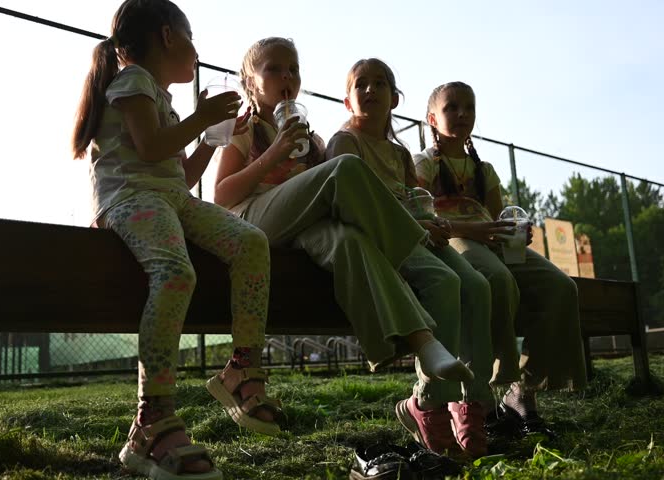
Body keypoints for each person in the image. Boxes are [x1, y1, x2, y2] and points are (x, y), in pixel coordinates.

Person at [214, 37, 473, 421]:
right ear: (251, 81)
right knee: (347, 168)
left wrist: (307, 150)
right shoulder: (244, 127)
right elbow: (222, 195)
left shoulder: (309, 137)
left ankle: (425, 342)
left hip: (301, 228)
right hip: (252, 222)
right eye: (274, 68)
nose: (287, 75)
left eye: (293, 69)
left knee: (350, 240)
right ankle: (412, 245)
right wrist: (274, 154)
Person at [72, 2, 277, 477]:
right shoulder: (134, 80)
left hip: (168, 200)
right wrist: (200, 119)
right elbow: (147, 149)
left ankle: (243, 367)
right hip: (131, 200)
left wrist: (208, 139)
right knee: (175, 273)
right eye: (190, 34)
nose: (194, 46)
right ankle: (153, 417)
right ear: (168, 36)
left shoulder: (158, 96)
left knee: (251, 243)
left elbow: (178, 176)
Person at [326, 58, 498, 458]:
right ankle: (429, 403)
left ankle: (472, 401)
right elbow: (347, 203)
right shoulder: (345, 142)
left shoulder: (401, 154)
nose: (371, 90)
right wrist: (417, 224)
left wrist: (432, 222)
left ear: (395, 98)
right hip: (381, 239)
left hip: (417, 235)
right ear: (347, 100)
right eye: (361, 84)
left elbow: (414, 201)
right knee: (445, 282)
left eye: (381, 83)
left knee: (477, 284)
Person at [414, 81, 588, 438]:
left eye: (469, 108)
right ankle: (482, 396)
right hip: (454, 239)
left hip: (488, 241)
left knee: (561, 287)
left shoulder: (485, 170)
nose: (462, 114)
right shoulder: (424, 163)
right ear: (432, 118)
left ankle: (523, 389)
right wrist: (474, 229)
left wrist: (515, 233)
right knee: (496, 278)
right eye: (452, 108)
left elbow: (498, 217)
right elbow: (423, 217)